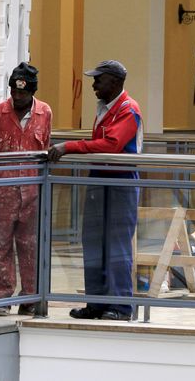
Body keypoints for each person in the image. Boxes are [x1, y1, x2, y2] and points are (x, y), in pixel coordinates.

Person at [47, 59, 143, 321]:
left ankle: (120, 306)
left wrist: (70, 147)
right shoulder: (105, 108)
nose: (93, 85)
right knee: (93, 242)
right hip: (99, 179)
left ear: (114, 81)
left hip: (120, 183)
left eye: (98, 80)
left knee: (116, 245)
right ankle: (97, 302)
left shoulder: (128, 109)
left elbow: (111, 145)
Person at [0, 62, 52, 316]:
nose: (18, 97)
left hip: (32, 192)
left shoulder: (44, 113)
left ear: (32, 92)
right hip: (2, 192)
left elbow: (44, 144)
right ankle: (1, 297)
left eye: (23, 93)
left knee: (30, 246)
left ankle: (30, 297)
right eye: (15, 92)